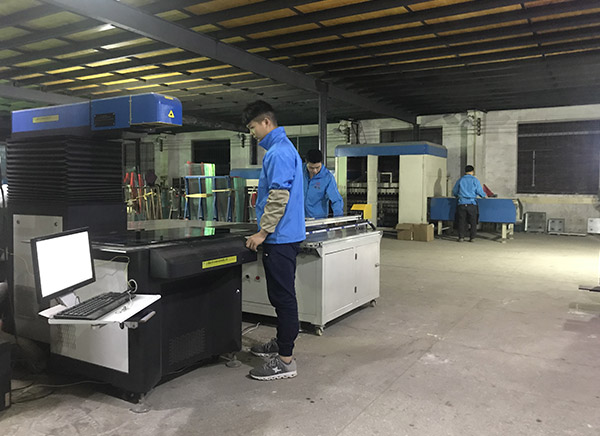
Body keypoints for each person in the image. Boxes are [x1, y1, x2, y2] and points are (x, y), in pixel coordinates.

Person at [242, 100, 305, 381]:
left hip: (279, 238)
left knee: (283, 297)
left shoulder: (278, 152)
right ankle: (281, 344)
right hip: (284, 235)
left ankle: (285, 361)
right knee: (281, 295)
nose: (252, 133)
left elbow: (279, 196)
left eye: (253, 127)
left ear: (266, 122)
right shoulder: (283, 148)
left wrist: (262, 232)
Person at [303, 149, 344, 219]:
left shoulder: (327, 178)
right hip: (299, 219)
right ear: (306, 162)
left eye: (317, 167)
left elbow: (336, 199)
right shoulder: (299, 172)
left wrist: (338, 218)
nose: (315, 171)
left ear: (321, 163)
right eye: (311, 168)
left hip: (318, 220)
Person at [452, 165, 486, 242]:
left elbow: (454, 191)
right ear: (472, 171)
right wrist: (484, 196)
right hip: (472, 203)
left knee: (461, 221)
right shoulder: (475, 180)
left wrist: (458, 196)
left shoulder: (460, 180)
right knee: (473, 222)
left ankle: (461, 237)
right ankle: (472, 237)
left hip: (461, 203)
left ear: (465, 171)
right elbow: (479, 191)